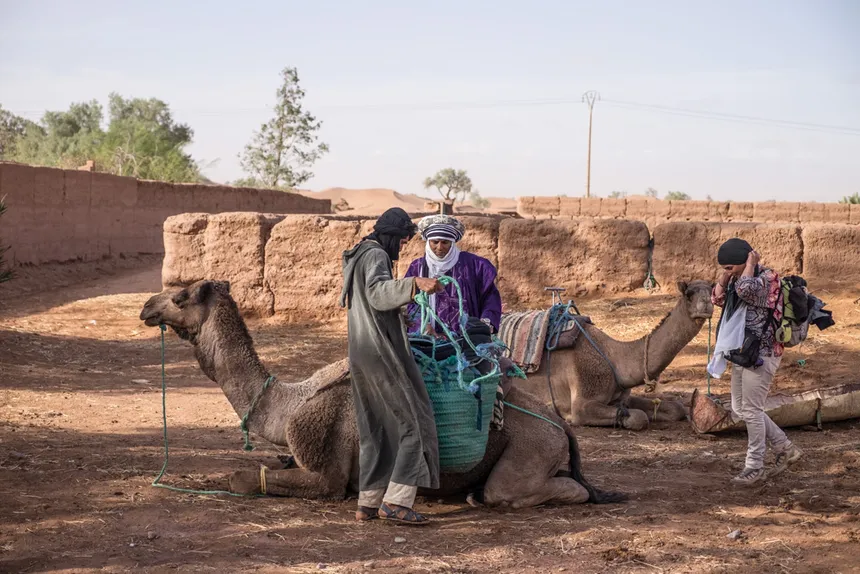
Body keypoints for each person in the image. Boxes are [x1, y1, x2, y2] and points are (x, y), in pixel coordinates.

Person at [340, 207, 445, 525]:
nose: (400, 248)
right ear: (390, 236)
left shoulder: (358, 254)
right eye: (400, 241)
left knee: (375, 429)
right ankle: (397, 502)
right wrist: (415, 285)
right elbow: (377, 293)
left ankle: (368, 503)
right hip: (379, 353)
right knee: (412, 424)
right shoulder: (375, 256)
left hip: (360, 352)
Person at [710, 238, 803, 486]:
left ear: (745, 261)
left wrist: (749, 264)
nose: (727, 272)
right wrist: (726, 275)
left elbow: (746, 291)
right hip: (743, 352)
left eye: (730, 267)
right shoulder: (738, 277)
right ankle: (786, 448)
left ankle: (754, 467)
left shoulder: (767, 279)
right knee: (741, 409)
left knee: (751, 410)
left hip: (762, 354)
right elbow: (717, 299)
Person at [403, 214, 502, 339]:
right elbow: (411, 302)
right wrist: (421, 324)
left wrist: (484, 324)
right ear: (428, 242)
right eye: (435, 242)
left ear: (452, 242)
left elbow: (490, 298)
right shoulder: (417, 268)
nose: (439, 247)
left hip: (466, 339)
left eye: (445, 242)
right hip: (428, 338)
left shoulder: (475, 266)